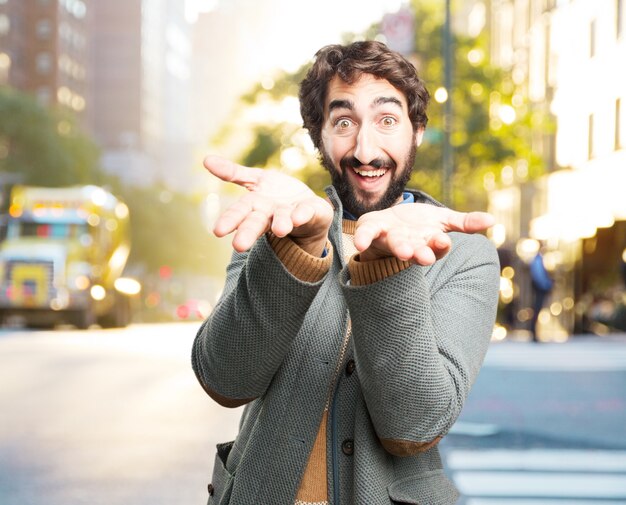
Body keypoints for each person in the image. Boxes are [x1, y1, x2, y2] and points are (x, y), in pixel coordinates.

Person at [192, 41, 500, 505]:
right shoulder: (278, 224)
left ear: (417, 131)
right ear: (319, 136)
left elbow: (414, 427)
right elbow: (225, 379)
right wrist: (295, 251)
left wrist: (385, 270)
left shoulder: (465, 256)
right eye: (343, 122)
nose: (365, 149)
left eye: (387, 120)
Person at [529, 248, 553, 342]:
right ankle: (533, 332)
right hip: (540, 289)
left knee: (537, 310)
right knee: (537, 310)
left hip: (539, 288)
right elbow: (539, 276)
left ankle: (534, 332)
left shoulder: (538, 260)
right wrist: (547, 285)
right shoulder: (538, 260)